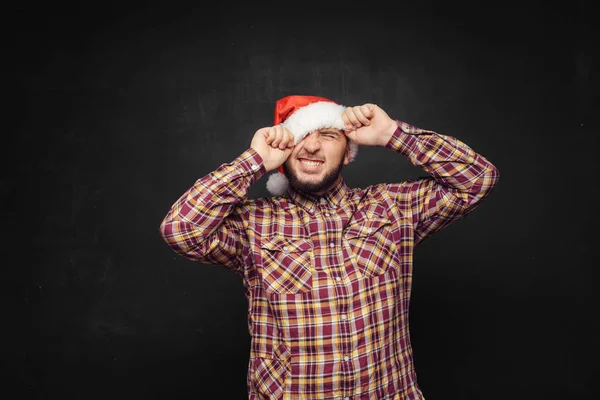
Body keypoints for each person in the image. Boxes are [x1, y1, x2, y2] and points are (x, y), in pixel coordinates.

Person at [159, 95, 499, 399]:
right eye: (301, 135)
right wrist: (253, 161)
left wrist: (393, 135)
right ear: (283, 150)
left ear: (348, 151)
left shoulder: (392, 208)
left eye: (328, 135)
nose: (311, 147)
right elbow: (181, 230)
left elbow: (477, 179)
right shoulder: (252, 224)